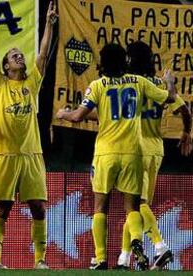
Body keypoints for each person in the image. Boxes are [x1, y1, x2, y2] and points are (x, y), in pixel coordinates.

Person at [56, 43, 177, 270]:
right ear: (125, 62)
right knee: (132, 206)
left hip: (106, 152)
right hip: (133, 153)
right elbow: (169, 99)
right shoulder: (139, 82)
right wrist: (170, 83)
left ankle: (101, 259)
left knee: (100, 206)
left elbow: (78, 117)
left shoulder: (98, 85)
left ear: (102, 63)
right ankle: (136, 243)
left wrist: (63, 113)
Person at [0, 1, 57, 269]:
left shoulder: (31, 84)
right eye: (13, 55)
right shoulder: (0, 84)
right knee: (2, 209)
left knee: (38, 207)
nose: (19, 56)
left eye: (20, 54)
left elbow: (43, 55)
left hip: (32, 155)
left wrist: (49, 24)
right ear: (5, 66)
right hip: (6, 155)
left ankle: (40, 260)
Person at [115, 41, 192, 270]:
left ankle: (161, 248)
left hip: (134, 149)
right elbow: (185, 111)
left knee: (136, 203)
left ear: (130, 59)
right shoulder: (161, 84)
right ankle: (123, 257)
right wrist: (187, 133)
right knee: (136, 206)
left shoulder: (127, 84)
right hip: (156, 149)